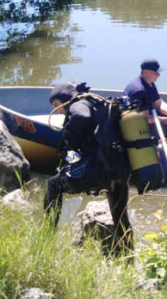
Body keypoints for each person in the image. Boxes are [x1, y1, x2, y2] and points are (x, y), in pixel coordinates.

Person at [43, 82, 133, 254]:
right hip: (119, 169)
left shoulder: (78, 105)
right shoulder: (96, 102)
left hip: (97, 170)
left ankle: (46, 237)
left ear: (58, 102)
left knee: (53, 185)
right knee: (121, 217)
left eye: (56, 106)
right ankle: (127, 257)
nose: (59, 111)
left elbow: (82, 117)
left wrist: (68, 136)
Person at [124, 58, 167, 142]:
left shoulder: (150, 84)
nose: (159, 75)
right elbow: (144, 119)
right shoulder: (139, 91)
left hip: (147, 117)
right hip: (135, 125)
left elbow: (159, 104)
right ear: (145, 72)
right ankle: (161, 150)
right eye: (156, 72)